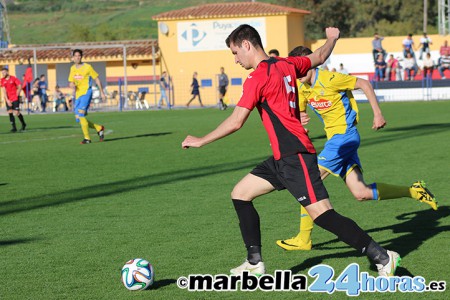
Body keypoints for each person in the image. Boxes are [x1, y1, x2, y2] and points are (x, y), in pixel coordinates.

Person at [182, 24, 401, 277]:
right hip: (280, 158)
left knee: (323, 215)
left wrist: (201, 140)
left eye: (235, 52)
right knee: (240, 194)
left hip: (295, 155)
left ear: (246, 45)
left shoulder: (257, 78)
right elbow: (319, 56)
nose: (235, 59)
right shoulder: (286, 64)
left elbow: (236, 121)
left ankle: (382, 257)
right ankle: (254, 263)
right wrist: (332, 38)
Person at [276, 46, 438, 253]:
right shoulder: (303, 87)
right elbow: (299, 114)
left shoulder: (331, 78)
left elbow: (364, 83)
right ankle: (414, 191)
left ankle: (303, 238)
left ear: (312, 63)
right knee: (361, 192)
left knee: (308, 182)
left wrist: (377, 114)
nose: (298, 74)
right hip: (336, 141)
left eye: (301, 68)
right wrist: (300, 119)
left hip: (345, 138)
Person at [68, 49, 106, 144]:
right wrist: (72, 85)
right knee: (79, 118)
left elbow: (97, 79)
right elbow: (71, 82)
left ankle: (87, 138)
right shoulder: (72, 68)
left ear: (81, 57)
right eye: (75, 56)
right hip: (78, 95)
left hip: (86, 93)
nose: (77, 57)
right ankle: (99, 128)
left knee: (81, 115)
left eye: (79, 55)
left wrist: (102, 92)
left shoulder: (88, 67)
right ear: (73, 58)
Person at [1, 66, 27, 132]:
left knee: (16, 112)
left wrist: (17, 94)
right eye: (2, 73)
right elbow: (4, 91)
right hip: (8, 99)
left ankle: (23, 124)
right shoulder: (2, 80)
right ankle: (14, 128)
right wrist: (7, 100)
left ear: (7, 72)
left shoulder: (13, 78)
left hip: (15, 98)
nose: (3, 74)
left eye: (4, 72)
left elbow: (20, 86)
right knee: (10, 112)